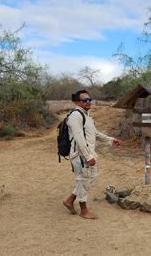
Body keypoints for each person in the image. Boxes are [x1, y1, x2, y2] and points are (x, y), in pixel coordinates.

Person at [62, 90, 121, 219]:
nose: (88, 102)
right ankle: (84, 210)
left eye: (89, 99)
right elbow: (79, 138)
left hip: (89, 154)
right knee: (82, 179)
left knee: (91, 177)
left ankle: (70, 200)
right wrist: (88, 157)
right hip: (79, 156)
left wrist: (111, 140)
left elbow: (95, 134)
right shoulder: (75, 116)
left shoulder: (87, 115)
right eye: (85, 100)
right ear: (77, 102)